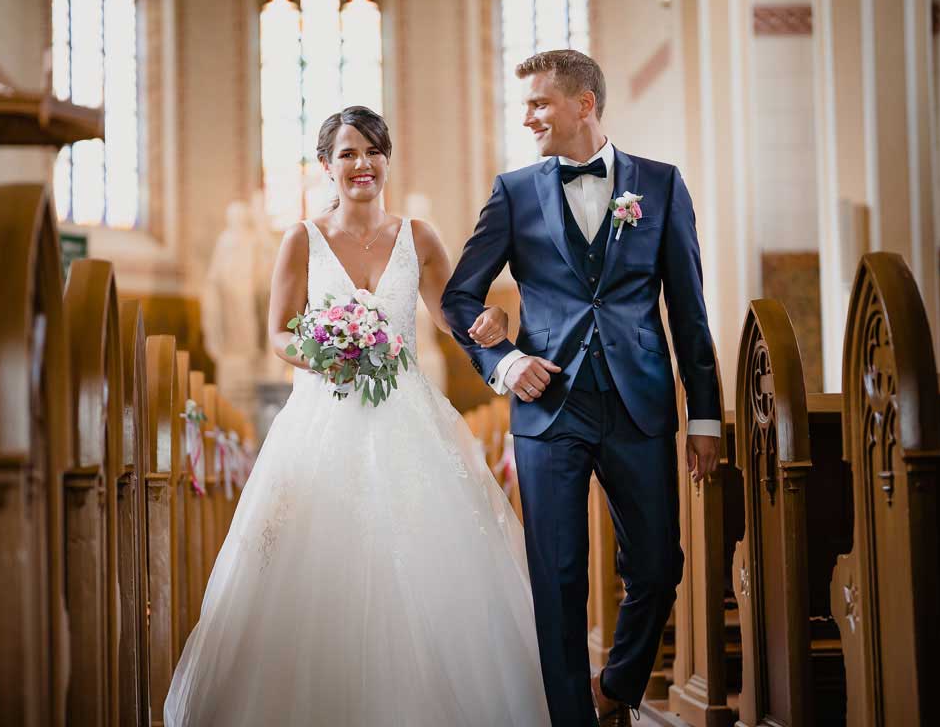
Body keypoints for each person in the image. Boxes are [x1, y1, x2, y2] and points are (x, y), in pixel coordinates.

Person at [164, 105, 551, 726]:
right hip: (323, 414)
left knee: (424, 560)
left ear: (386, 160)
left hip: (407, 415)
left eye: (371, 151)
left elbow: (457, 319)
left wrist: (493, 328)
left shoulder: (418, 237)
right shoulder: (302, 238)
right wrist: (325, 352)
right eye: (347, 153)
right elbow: (278, 334)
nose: (360, 164)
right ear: (326, 165)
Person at [443, 50, 722, 727]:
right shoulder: (513, 192)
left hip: (640, 403)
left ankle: (617, 689)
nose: (528, 115)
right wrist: (505, 361)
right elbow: (459, 297)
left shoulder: (660, 185)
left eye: (540, 102)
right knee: (559, 576)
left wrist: (706, 418)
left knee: (658, 567)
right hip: (548, 408)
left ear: (584, 104)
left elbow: (689, 311)